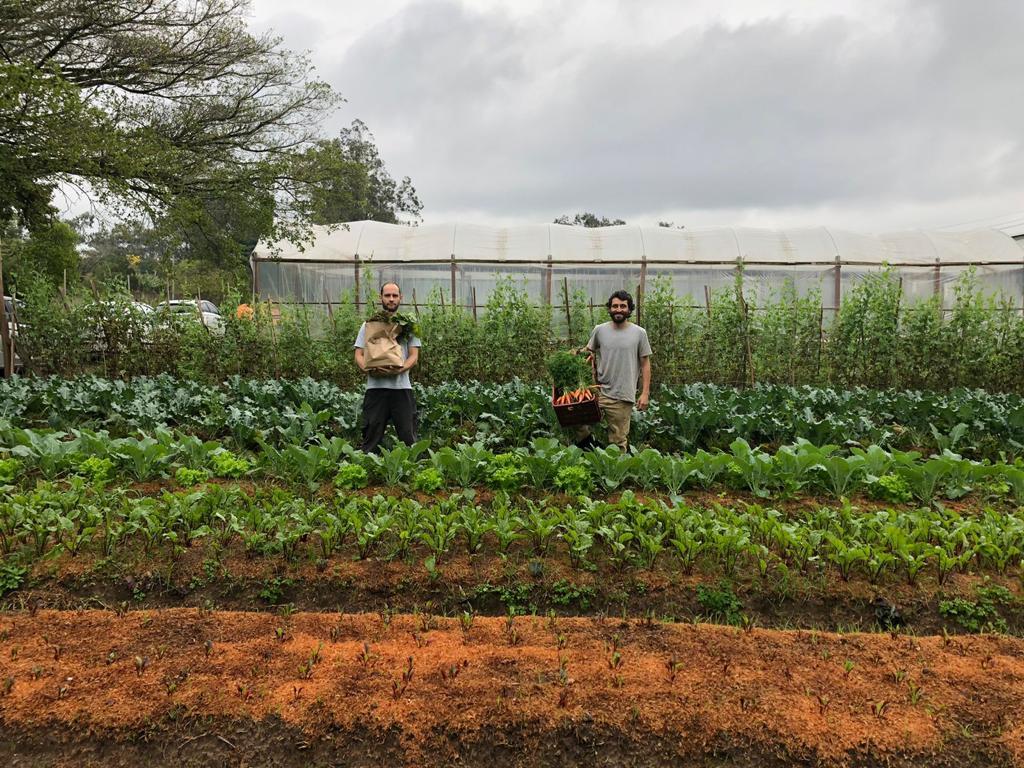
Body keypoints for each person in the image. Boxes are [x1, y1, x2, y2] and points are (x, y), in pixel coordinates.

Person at [575, 290, 652, 451]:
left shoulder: (639, 333)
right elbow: (589, 352)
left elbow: (645, 363)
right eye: (615, 306)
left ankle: (615, 465)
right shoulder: (600, 330)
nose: (618, 309)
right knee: (579, 423)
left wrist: (645, 393)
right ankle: (592, 448)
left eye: (623, 306)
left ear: (629, 309)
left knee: (617, 440)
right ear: (609, 308)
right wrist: (574, 354)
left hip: (622, 395)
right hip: (597, 391)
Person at [353, 282, 422, 452]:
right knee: (371, 437)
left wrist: (400, 369)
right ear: (381, 298)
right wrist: (368, 369)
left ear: (400, 298)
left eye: (394, 296)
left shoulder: (408, 325)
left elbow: (414, 356)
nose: (391, 299)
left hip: (402, 388)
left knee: (408, 437)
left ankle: (411, 467)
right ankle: (369, 466)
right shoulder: (368, 325)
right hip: (375, 389)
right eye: (387, 295)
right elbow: (358, 354)